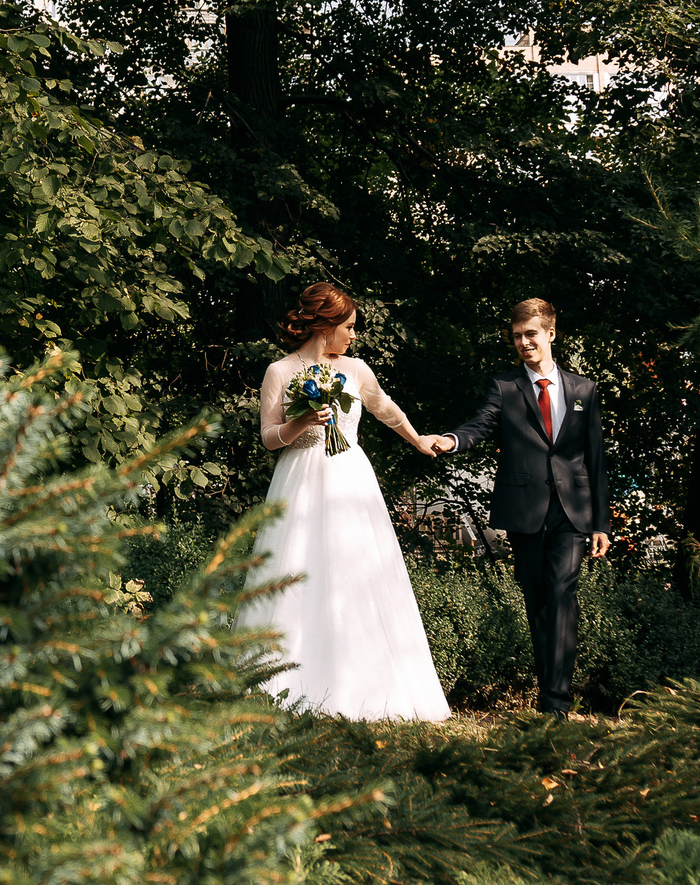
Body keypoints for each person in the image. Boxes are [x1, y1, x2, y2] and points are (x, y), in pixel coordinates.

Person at [242, 281, 453, 721]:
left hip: (351, 481)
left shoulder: (356, 370)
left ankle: (365, 686)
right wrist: (300, 423)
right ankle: (283, 684)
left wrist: (418, 441)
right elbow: (267, 438)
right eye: (349, 327)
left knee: (354, 571)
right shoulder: (279, 371)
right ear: (325, 326)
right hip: (299, 479)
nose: (354, 336)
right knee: (298, 570)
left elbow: (386, 409)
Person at [432, 297, 609, 716]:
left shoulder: (584, 390)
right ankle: (550, 694)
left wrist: (601, 522)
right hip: (525, 511)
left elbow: (596, 458)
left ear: (550, 333)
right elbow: (480, 424)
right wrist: (452, 441)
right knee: (538, 601)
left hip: (572, 510)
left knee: (563, 592)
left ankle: (556, 705)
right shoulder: (504, 387)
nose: (524, 342)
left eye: (531, 334)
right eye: (517, 336)